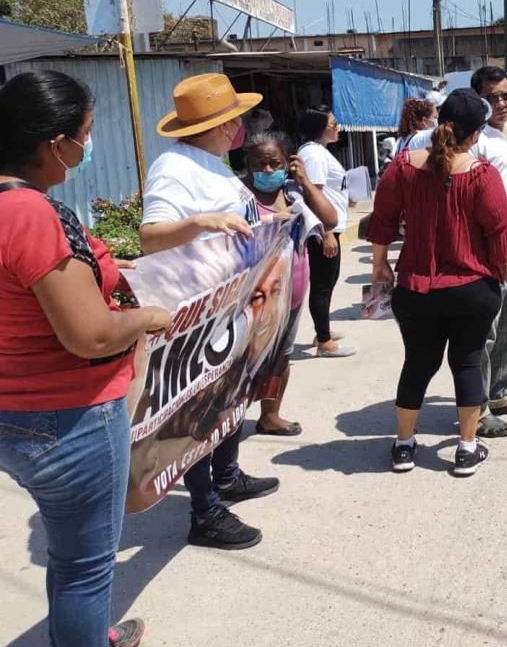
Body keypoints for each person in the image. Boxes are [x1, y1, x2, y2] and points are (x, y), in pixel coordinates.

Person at [0, 70, 171, 647]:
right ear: (55, 144)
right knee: (82, 567)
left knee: (71, 556)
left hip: (12, 408)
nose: (86, 148)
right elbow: (92, 336)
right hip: (68, 418)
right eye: (85, 135)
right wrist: (147, 318)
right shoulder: (28, 215)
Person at [140, 72, 277, 550]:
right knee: (201, 414)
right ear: (221, 125)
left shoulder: (213, 162)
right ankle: (205, 512)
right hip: (200, 317)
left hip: (231, 304)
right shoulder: (174, 168)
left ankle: (227, 475)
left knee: (231, 401)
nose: (240, 126)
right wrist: (200, 222)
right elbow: (150, 237)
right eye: (236, 119)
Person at [367, 89, 507, 476]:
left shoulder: (403, 165)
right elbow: (499, 232)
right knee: (468, 364)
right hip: (471, 291)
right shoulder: (480, 173)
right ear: (476, 135)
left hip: (416, 290)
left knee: (417, 365)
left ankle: (404, 447)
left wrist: (380, 267)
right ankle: (466, 449)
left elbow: (383, 220)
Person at [242, 132, 337, 436]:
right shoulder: (239, 196)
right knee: (245, 360)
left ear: (288, 163)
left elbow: (330, 218)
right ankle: (227, 426)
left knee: (280, 357)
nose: (268, 171)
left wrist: (306, 182)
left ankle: (270, 415)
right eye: (260, 164)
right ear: (248, 165)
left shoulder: (294, 191)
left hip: (292, 293)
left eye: (275, 163)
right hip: (254, 298)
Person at [297, 105, 355, 358]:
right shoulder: (313, 154)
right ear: (320, 127)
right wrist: (326, 232)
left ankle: (324, 330)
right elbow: (313, 195)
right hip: (324, 229)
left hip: (332, 225)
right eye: (333, 123)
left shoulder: (320, 152)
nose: (337, 127)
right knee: (322, 284)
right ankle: (324, 342)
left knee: (328, 282)